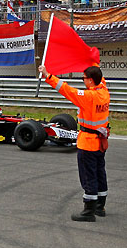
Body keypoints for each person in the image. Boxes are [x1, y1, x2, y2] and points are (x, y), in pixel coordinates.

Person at [38, 64, 110, 222]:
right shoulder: (104, 91)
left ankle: (89, 211)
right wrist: (93, 62)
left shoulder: (88, 97)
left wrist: (47, 75)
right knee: (100, 173)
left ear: (90, 81)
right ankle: (100, 207)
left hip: (88, 143)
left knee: (88, 176)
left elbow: (66, 89)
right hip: (100, 142)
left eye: (84, 78)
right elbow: (100, 77)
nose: (82, 81)